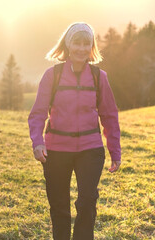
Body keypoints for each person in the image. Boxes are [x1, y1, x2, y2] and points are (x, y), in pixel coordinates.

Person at [28, 22, 121, 240]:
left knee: (87, 202)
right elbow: (38, 113)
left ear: (91, 46)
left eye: (85, 43)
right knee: (59, 206)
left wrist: (115, 151)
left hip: (91, 149)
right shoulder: (53, 76)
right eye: (76, 43)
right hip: (56, 150)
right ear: (68, 45)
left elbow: (109, 116)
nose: (81, 48)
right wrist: (37, 142)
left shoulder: (100, 77)